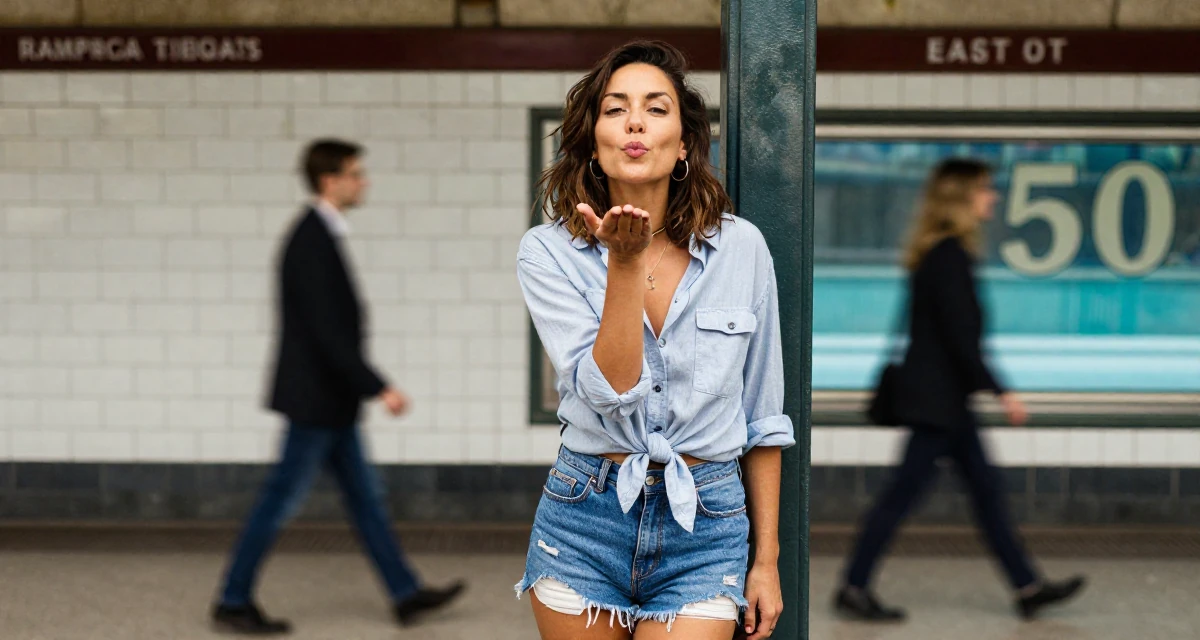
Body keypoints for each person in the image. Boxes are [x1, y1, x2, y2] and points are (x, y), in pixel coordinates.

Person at [514, 41, 794, 640]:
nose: (635, 121)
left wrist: (766, 562)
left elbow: (763, 419)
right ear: (594, 142)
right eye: (615, 110)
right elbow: (611, 389)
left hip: (707, 527)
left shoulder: (741, 249)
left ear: (685, 143)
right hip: (584, 519)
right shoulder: (548, 252)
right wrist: (624, 265)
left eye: (655, 107)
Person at [210, 139, 465, 634]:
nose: (362, 181)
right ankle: (233, 599)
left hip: (330, 404)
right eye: (355, 173)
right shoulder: (310, 240)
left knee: (366, 500)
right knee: (280, 500)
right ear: (330, 180)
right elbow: (325, 332)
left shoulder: (319, 235)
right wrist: (379, 386)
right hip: (315, 403)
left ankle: (405, 594)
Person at [833, 158, 1085, 622]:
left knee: (983, 493)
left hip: (946, 403)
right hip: (939, 406)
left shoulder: (940, 254)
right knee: (904, 496)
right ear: (963, 198)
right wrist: (1001, 391)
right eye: (985, 190)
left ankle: (1027, 586)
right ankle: (854, 585)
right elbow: (960, 339)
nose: (993, 198)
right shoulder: (948, 257)